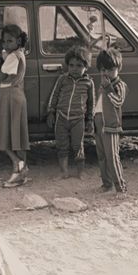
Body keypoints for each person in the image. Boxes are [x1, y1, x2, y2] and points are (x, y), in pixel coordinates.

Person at [0, 23, 30, 187]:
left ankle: (18, 165)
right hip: (12, 95)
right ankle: (20, 167)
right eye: (4, 41)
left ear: (18, 41)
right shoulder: (15, 53)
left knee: (4, 134)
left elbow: (4, 77)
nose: (5, 45)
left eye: (9, 41)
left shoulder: (14, 57)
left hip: (10, 95)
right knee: (14, 134)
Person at [46, 47, 95, 178]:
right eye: (71, 65)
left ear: (86, 67)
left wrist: (90, 120)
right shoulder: (63, 79)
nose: (74, 68)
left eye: (79, 66)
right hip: (61, 117)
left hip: (78, 119)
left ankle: (81, 171)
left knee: (78, 145)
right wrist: (51, 112)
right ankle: (64, 172)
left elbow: (91, 103)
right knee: (62, 145)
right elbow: (54, 95)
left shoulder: (88, 82)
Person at [94, 47, 128, 193]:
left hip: (111, 126)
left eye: (109, 69)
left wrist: (108, 89)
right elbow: (98, 104)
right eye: (102, 70)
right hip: (99, 123)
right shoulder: (103, 85)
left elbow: (118, 101)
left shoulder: (120, 85)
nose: (105, 73)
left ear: (118, 67)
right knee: (102, 156)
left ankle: (120, 187)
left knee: (112, 157)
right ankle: (107, 184)